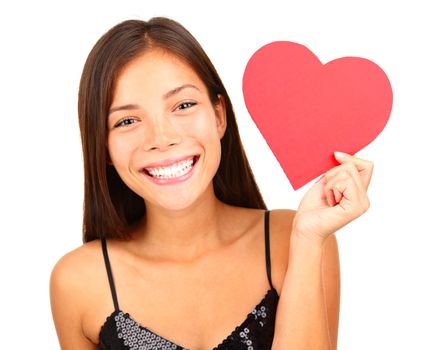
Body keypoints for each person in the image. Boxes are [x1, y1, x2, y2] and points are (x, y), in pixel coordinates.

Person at [50, 17, 373, 350]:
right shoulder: (78, 281)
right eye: (128, 121)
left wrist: (308, 239)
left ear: (219, 115)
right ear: (103, 145)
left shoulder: (292, 240)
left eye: (184, 105)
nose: (162, 139)